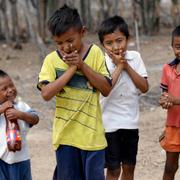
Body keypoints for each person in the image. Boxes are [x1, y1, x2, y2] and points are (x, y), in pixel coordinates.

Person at [37, 4, 112, 180]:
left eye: (70, 40)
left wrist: (82, 65)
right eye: (59, 43)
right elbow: (46, 94)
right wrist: (72, 69)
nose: (65, 47)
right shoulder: (51, 60)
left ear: (83, 32)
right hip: (65, 137)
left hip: (92, 137)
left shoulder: (95, 53)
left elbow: (106, 89)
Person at [98, 16, 149, 180]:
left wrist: (126, 66)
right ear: (103, 45)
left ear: (128, 39)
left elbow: (144, 87)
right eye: (109, 43)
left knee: (129, 168)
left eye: (119, 41)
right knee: (113, 170)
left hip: (130, 123)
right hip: (109, 125)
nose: (116, 47)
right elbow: (106, 88)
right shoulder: (101, 63)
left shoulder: (135, 57)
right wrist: (119, 67)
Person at [0, 69, 39, 180]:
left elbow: (35, 118)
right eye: (4, 89)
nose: (10, 90)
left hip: (21, 159)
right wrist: (2, 109)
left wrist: (21, 115)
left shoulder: (20, 106)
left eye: (11, 85)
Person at [159, 25, 180, 180]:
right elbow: (165, 94)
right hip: (173, 125)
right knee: (170, 166)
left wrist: (175, 100)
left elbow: (174, 99)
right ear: (172, 47)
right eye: (178, 47)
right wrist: (164, 100)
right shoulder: (167, 68)